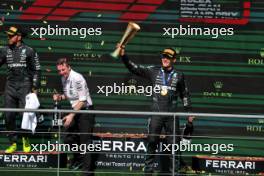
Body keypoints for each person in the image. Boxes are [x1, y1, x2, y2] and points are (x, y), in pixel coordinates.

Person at [117, 45, 194, 175]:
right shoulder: (153, 71)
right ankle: (148, 173)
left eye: (168, 57)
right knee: (152, 143)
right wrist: (123, 55)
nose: (165, 59)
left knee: (174, 147)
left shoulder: (179, 75)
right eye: (164, 56)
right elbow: (134, 68)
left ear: (174, 60)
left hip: (172, 116)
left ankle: (174, 173)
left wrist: (189, 111)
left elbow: (185, 94)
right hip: (156, 115)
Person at [0, 26, 41, 153]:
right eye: (8, 35)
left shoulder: (29, 50)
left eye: (11, 35)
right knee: (8, 115)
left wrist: (34, 86)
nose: (8, 37)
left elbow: (37, 70)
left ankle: (25, 139)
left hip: (25, 85)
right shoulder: (4, 50)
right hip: (10, 85)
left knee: (26, 115)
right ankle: (12, 143)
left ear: (19, 36)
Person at [53, 58, 94, 176]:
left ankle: (86, 173)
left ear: (69, 67)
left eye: (63, 70)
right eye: (59, 70)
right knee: (67, 138)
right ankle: (79, 160)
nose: (61, 72)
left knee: (85, 143)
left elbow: (82, 100)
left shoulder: (77, 78)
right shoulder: (63, 78)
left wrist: (71, 115)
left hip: (86, 112)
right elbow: (70, 95)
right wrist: (60, 97)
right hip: (76, 111)